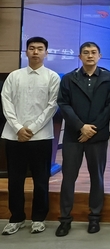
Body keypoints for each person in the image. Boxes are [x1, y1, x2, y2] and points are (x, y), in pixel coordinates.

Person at [56, 42, 110, 237]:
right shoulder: (69, 78)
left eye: (93, 52)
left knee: (97, 177)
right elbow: (63, 104)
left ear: (100, 56)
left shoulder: (108, 78)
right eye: (86, 53)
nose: (90, 56)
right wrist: (81, 126)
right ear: (79, 56)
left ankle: (94, 217)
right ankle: (65, 219)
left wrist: (92, 129)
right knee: (68, 178)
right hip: (74, 136)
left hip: (97, 136)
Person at [1, 37, 60, 235]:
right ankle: (16, 218)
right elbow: (6, 103)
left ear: (46, 53)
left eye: (40, 49)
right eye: (32, 48)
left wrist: (32, 129)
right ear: (26, 52)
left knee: (41, 180)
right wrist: (18, 128)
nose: (35, 52)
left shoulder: (52, 77)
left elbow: (52, 106)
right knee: (15, 180)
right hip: (14, 136)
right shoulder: (14, 76)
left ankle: (38, 218)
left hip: (41, 137)